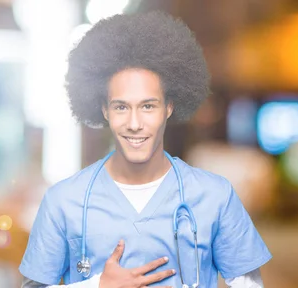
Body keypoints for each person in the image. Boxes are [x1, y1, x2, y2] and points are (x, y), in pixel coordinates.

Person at [19, 11, 272, 288]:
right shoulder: (63, 201)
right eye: (121, 107)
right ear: (104, 110)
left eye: (148, 106)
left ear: (169, 108)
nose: (135, 123)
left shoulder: (215, 196)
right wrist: (96, 286)